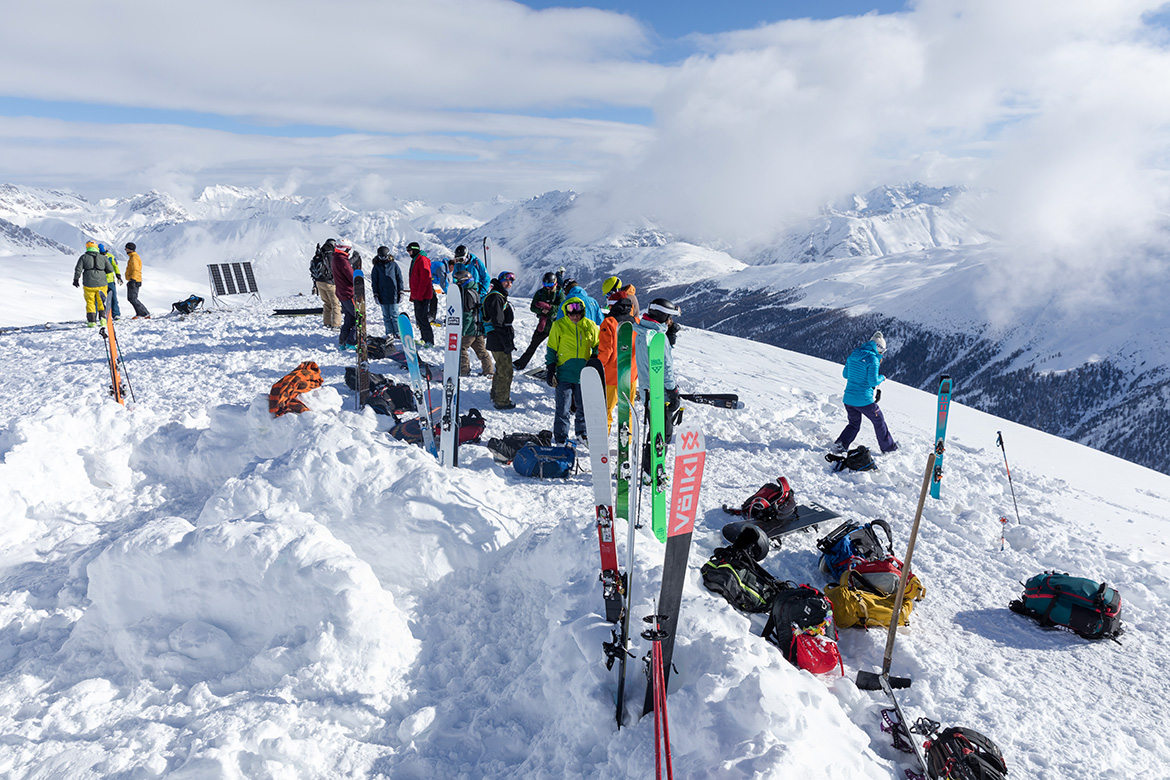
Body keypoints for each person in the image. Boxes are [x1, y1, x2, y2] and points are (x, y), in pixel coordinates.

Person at [634, 298, 683, 473]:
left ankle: (650, 468)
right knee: (662, 433)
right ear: (663, 316)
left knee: (654, 430)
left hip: (648, 390)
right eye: (669, 317)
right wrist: (673, 390)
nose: (671, 321)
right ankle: (652, 470)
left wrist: (669, 338)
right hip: (660, 393)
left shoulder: (643, 331)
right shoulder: (658, 338)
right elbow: (665, 367)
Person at [545, 297, 601, 445]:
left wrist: (594, 359)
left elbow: (597, 345)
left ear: (582, 313)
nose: (574, 316)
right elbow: (551, 348)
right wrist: (550, 369)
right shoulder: (559, 325)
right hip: (564, 373)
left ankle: (582, 433)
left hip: (584, 374)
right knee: (563, 408)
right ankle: (561, 437)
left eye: (577, 314)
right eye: (571, 314)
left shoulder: (590, 326)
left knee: (583, 406)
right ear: (566, 313)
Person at [834, 331, 898, 454]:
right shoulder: (872, 359)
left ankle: (840, 445)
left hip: (848, 399)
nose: (881, 354)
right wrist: (882, 377)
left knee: (853, 424)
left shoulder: (854, 354)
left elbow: (845, 374)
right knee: (879, 421)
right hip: (863, 400)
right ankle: (888, 448)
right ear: (878, 348)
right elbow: (872, 382)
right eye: (882, 351)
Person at [598, 294, 639, 429]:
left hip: (612, 376)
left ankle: (604, 439)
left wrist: (597, 368)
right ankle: (626, 442)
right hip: (631, 375)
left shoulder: (609, 323)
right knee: (627, 410)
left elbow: (606, 351)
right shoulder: (636, 322)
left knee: (607, 409)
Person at [514, 271, 565, 370]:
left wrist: (549, 308)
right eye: (545, 284)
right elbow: (533, 307)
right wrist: (542, 311)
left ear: (555, 283)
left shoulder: (559, 294)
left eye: (550, 284)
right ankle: (521, 363)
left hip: (556, 326)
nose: (547, 287)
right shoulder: (540, 293)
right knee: (533, 345)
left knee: (558, 349)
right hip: (543, 325)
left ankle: (559, 367)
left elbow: (561, 308)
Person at [483, 271, 517, 409]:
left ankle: (495, 394)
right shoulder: (497, 298)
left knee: (500, 368)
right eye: (506, 281)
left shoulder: (498, 295)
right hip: (499, 339)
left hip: (496, 338)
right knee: (506, 371)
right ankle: (502, 400)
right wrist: (506, 343)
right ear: (500, 281)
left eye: (511, 281)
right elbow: (498, 323)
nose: (509, 283)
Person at [454, 269, 494, 377]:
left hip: (470, 329)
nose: (456, 283)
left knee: (461, 348)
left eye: (456, 280)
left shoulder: (466, 294)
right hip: (478, 328)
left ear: (463, 280)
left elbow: (467, 315)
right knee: (481, 351)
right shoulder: (474, 291)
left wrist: (463, 331)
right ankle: (489, 370)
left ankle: (464, 370)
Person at [72, 241, 116, 326]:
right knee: (101, 301)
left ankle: (92, 321)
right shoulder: (103, 257)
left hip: (88, 283)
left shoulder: (83, 257)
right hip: (102, 283)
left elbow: (78, 269)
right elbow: (110, 269)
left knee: (90, 302)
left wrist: (76, 279)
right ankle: (103, 320)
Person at [370, 246, 404, 338]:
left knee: (394, 314)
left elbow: (399, 278)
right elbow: (374, 281)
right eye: (381, 257)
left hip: (393, 293)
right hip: (382, 294)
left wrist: (401, 291)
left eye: (384, 257)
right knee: (386, 316)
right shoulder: (376, 267)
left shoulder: (394, 265)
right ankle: (389, 332)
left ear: (388, 255)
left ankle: (397, 332)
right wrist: (375, 294)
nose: (383, 259)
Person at [407, 242, 436, 346]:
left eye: (410, 250)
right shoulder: (415, 259)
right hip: (417, 295)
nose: (409, 253)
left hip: (422, 296)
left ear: (415, 250)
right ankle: (424, 338)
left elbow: (425, 279)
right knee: (419, 318)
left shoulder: (422, 260)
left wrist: (419, 295)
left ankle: (429, 340)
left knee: (423, 318)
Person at [332, 239, 358, 350]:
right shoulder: (343, 261)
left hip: (341, 293)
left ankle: (343, 342)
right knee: (359, 317)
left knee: (349, 317)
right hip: (348, 293)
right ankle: (352, 341)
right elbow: (352, 277)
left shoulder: (335, 258)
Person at [310, 239, 342, 329]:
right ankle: (336, 325)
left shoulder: (319, 253)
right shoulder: (331, 254)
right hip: (330, 283)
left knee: (327, 303)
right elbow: (335, 268)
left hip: (319, 282)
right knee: (335, 304)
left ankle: (327, 323)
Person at [123, 242, 151, 319]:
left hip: (134, 280)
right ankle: (139, 313)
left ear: (130, 249)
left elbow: (136, 269)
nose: (125, 249)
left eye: (126, 248)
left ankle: (145, 313)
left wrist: (133, 280)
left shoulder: (134, 258)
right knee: (131, 298)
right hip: (134, 280)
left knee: (133, 298)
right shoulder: (132, 257)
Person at [99, 243, 123, 320]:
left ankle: (115, 314)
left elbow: (116, 266)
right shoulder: (98, 257)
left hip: (109, 281)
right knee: (102, 299)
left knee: (113, 298)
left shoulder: (110, 257)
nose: (104, 254)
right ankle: (105, 314)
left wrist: (118, 275)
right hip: (101, 281)